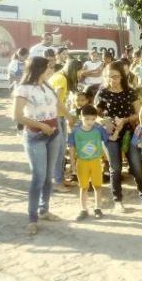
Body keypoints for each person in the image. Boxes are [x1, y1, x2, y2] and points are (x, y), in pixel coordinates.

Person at [13, 57, 72, 235]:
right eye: (49, 67)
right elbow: (17, 116)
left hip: (53, 134)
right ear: (39, 68)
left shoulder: (47, 85)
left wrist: (70, 116)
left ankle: (44, 210)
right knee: (38, 177)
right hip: (35, 135)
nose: (52, 70)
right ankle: (32, 218)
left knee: (48, 177)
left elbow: (58, 104)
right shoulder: (23, 89)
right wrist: (41, 126)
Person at [94, 61, 142, 212]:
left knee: (137, 166)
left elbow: (138, 114)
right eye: (110, 77)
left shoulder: (130, 92)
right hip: (111, 134)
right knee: (115, 168)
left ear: (122, 76)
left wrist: (125, 120)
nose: (113, 80)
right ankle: (118, 200)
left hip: (129, 132)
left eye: (116, 76)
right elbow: (94, 114)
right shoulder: (102, 93)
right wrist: (104, 120)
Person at [69, 105, 109, 221]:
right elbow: (71, 149)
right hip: (82, 162)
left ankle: (98, 208)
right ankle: (83, 209)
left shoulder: (99, 129)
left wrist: (107, 160)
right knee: (83, 187)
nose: (90, 122)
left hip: (96, 162)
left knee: (98, 186)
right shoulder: (75, 132)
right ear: (81, 117)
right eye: (87, 119)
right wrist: (72, 165)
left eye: (92, 119)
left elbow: (106, 142)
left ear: (96, 118)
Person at [48, 58, 83, 192]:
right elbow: (56, 101)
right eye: (79, 71)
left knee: (61, 149)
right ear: (73, 70)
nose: (80, 75)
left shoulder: (59, 76)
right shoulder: (61, 79)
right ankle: (57, 182)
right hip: (56, 116)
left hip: (58, 116)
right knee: (59, 150)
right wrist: (69, 116)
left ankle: (60, 179)